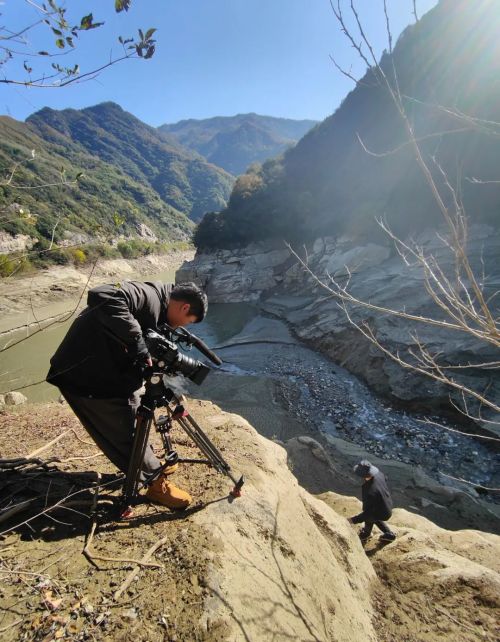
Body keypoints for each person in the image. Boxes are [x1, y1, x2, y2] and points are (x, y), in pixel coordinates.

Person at [47, 280, 208, 509]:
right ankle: (155, 484)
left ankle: (150, 464)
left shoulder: (161, 304)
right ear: (184, 308)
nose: (185, 327)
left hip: (111, 373)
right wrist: (138, 344)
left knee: (134, 417)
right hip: (86, 376)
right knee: (126, 431)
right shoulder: (149, 295)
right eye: (188, 322)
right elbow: (102, 293)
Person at [348, 459, 396, 543]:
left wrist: (352, 520)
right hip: (386, 503)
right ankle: (389, 534)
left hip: (382, 512)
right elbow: (385, 479)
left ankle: (366, 534)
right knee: (375, 516)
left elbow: (367, 513)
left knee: (370, 517)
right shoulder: (379, 474)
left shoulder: (371, 491)